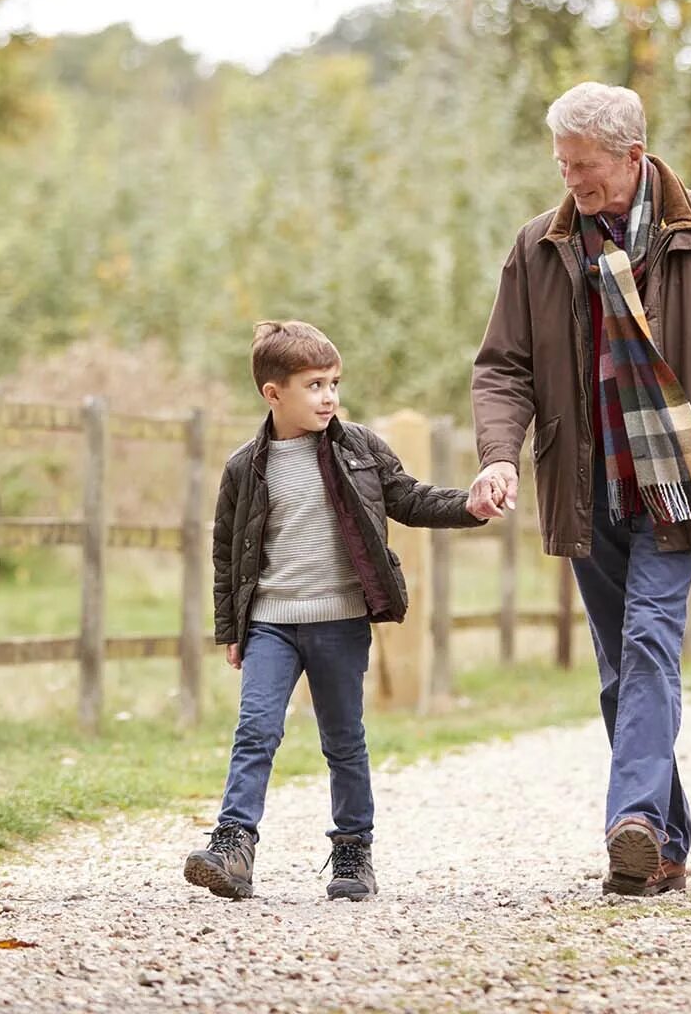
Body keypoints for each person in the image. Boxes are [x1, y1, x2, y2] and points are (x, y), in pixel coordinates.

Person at [468, 82, 691, 896]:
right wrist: (500, 453)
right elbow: (502, 367)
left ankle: (631, 818)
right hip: (586, 482)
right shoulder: (539, 245)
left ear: (634, 157)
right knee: (618, 668)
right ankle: (664, 844)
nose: (572, 180)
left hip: (681, 479)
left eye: (587, 166)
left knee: (647, 641)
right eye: (564, 165)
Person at [184, 320, 484, 901]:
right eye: (315, 385)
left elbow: (409, 498)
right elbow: (227, 551)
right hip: (271, 620)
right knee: (256, 730)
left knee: (343, 739)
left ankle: (352, 851)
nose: (329, 397)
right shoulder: (246, 466)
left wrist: (468, 506)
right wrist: (231, 627)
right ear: (274, 394)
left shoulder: (361, 449)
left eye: (334, 383)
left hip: (340, 620)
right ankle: (234, 845)